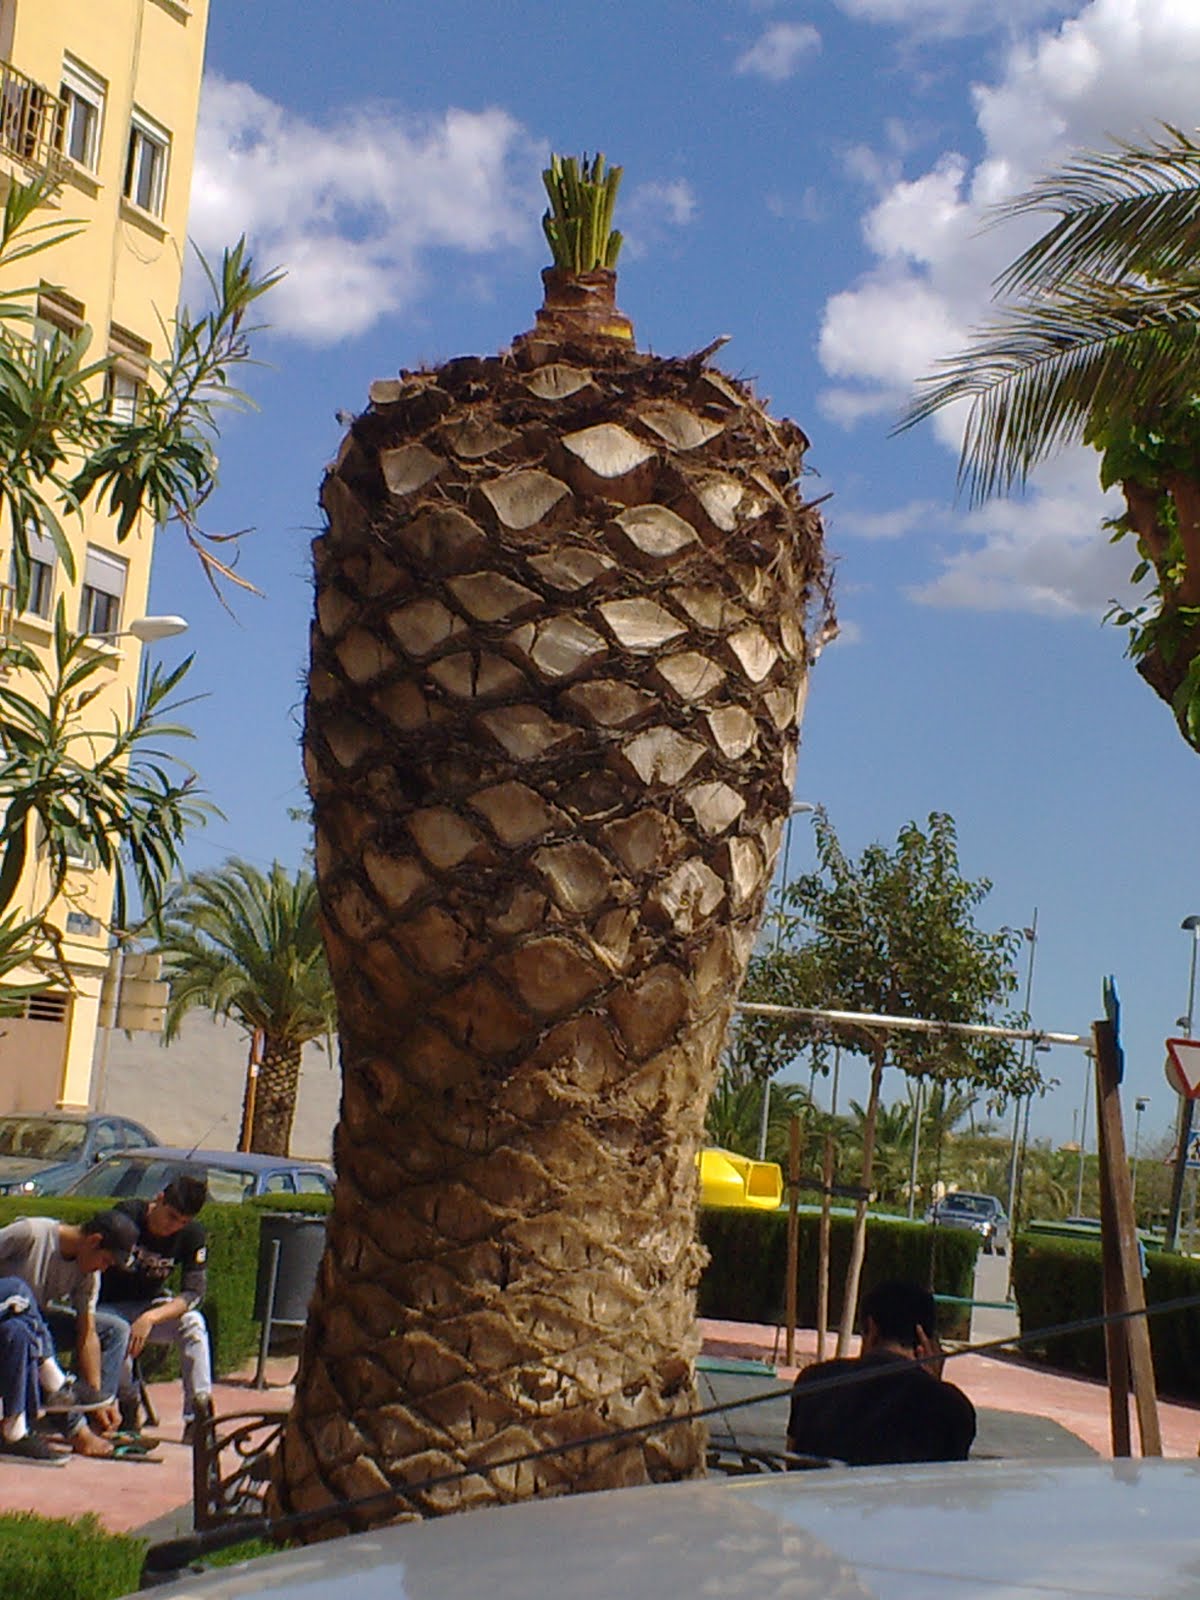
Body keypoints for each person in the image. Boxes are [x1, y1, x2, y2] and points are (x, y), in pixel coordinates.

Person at [786, 1279, 976, 1467]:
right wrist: (934, 1386)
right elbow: (946, 1484)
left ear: (872, 1328)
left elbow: (792, 1463)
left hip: (817, 1496)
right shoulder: (952, 1406)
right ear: (926, 1340)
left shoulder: (813, 1380)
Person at [0, 1210, 138, 1457]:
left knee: (113, 1329)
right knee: (20, 1291)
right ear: (94, 1241)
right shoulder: (30, 1233)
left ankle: (83, 1412)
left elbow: (88, 1333)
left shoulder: (88, 1274)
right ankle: (61, 1395)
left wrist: (97, 1401)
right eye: (105, 1260)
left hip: (19, 1330)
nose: (103, 1269)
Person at [98, 1173, 213, 1441]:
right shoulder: (127, 1216)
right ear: (159, 1199)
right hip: (108, 1306)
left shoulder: (193, 1235)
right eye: (171, 1216)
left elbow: (194, 1292)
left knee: (194, 1323)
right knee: (118, 1334)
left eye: (183, 1222)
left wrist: (150, 1317)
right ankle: (129, 1406)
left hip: (150, 1307)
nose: (174, 1227)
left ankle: (199, 1416)